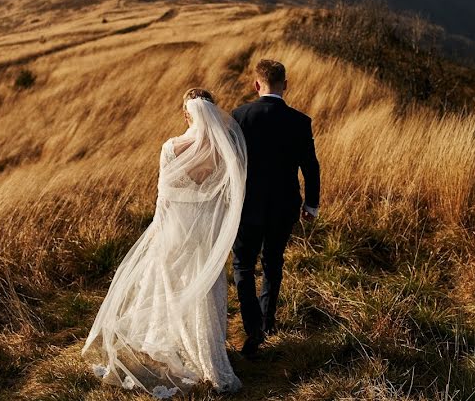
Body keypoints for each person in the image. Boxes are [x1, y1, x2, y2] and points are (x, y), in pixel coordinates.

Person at [82, 88, 248, 397]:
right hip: (207, 236)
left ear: (186, 114)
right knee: (207, 296)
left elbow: (165, 198)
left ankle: (178, 354)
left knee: (172, 292)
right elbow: (228, 199)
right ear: (213, 113)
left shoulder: (171, 148)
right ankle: (212, 360)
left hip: (175, 230)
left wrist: (159, 232)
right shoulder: (225, 150)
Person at [231, 59, 321, 357]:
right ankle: (268, 323)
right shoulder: (300, 121)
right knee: (273, 262)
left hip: (246, 206)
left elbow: (230, 166)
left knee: (243, 265)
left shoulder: (239, 117)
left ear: (257, 85)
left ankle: (253, 326)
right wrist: (311, 204)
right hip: (284, 206)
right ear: (286, 84)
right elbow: (311, 167)